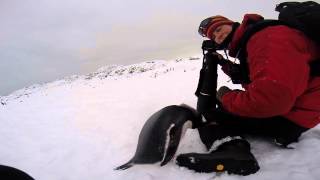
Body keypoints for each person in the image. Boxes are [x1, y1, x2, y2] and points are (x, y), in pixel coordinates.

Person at [175, 14, 320, 175]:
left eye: (218, 29)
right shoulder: (257, 37)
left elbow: (272, 101)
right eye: (213, 36)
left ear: (231, 24)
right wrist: (224, 64)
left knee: (210, 114)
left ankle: (234, 151)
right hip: (302, 111)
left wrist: (226, 97)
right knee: (226, 104)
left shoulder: (266, 39)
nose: (218, 36)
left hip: (290, 117)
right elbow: (260, 76)